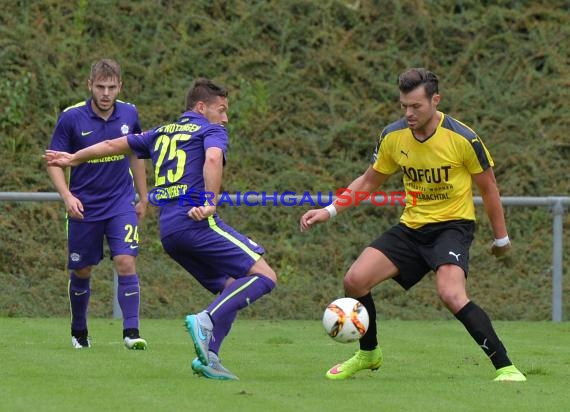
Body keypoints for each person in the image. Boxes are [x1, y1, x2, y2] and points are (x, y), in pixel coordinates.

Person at [300, 68, 526, 382]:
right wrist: (331, 209)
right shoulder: (393, 136)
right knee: (355, 280)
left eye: (416, 106)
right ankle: (368, 354)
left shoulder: (463, 138)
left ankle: (506, 367)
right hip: (411, 227)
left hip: (452, 226)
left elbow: (489, 189)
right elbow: (369, 180)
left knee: (451, 294)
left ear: (436, 100)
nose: (408, 113)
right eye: (404, 105)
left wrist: (501, 239)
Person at [44, 78, 277, 381]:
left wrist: (75, 157)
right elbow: (212, 157)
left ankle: (210, 358)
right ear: (201, 107)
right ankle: (206, 319)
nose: (225, 118)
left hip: (169, 229)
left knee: (230, 286)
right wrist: (209, 201)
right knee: (266, 276)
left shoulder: (161, 132)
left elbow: (113, 145)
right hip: (195, 219)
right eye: (222, 109)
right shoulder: (211, 130)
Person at [46, 59, 149, 350]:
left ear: (120, 87)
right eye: (100, 87)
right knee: (83, 270)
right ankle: (79, 331)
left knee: (126, 261)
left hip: (120, 203)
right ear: (89, 85)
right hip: (84, 206)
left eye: (112, 87)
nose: (106, 93)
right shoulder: (71, 118)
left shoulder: (130, 113)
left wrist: (143, 196)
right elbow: (54, 162)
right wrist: (67, 196)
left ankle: (131, 332)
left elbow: (136, 154)